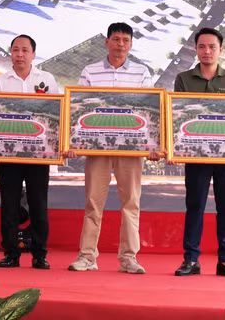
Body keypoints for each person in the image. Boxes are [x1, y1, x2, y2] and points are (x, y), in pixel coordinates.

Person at [68, 22, 158, 275]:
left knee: (131, 203)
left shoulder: (142, 72)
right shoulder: (90, 71)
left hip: (131, 149)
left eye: (125, 40)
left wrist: (152, 145)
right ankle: (87, 257)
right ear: (106, 41)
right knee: (92, 203)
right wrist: (72, 142)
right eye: (116, 39)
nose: (120, 44)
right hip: (97, 148)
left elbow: (149, 111)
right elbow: (78, 108)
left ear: (131, 44)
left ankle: (129, 258)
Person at [173, 28, 225, 279]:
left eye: (212, 47)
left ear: (220, 50)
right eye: (202, 46)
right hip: (196, 155)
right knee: (195, 206)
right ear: (196, 49)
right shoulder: (183, 79)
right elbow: (178, 116)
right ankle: (191, 259)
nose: (207, 51)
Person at [0, 34, 59, 270]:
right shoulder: (1, 82)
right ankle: (11, 253)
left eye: (24, 50)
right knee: (9, 205)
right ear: (10, 53)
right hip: (8, 155)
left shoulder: (46, 80)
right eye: (15, 50)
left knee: (38, 204)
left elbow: (56, 114)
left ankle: (39, 255)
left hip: (38, 155)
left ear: (33, 54)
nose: (19, 54)